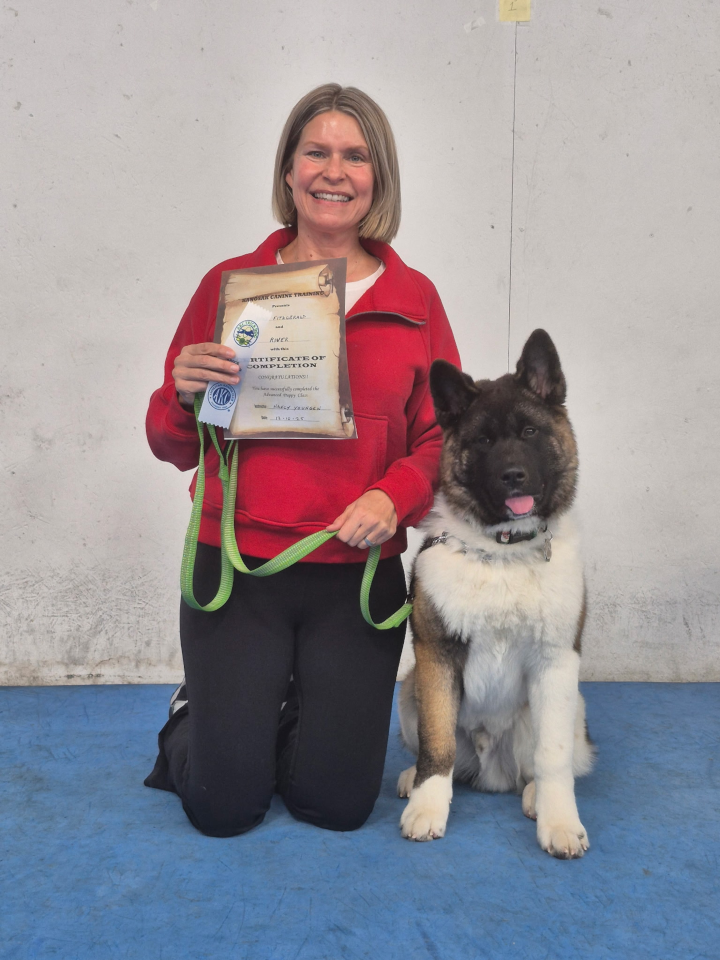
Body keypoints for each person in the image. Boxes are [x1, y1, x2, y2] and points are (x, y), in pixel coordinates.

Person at [144, 83, 461, 837]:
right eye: (315, 151)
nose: (334, 170)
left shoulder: (415, 299)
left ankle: (270, 721)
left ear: (376, 177)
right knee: (223, 810)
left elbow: (444, 437)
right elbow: (169, 442)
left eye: (355, 156)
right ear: (288, 171)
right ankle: (200, 718)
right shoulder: (231, 287)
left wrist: (396, 496)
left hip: (355, 580)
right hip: (237, 572)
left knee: (338, 807)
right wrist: (181, 396)